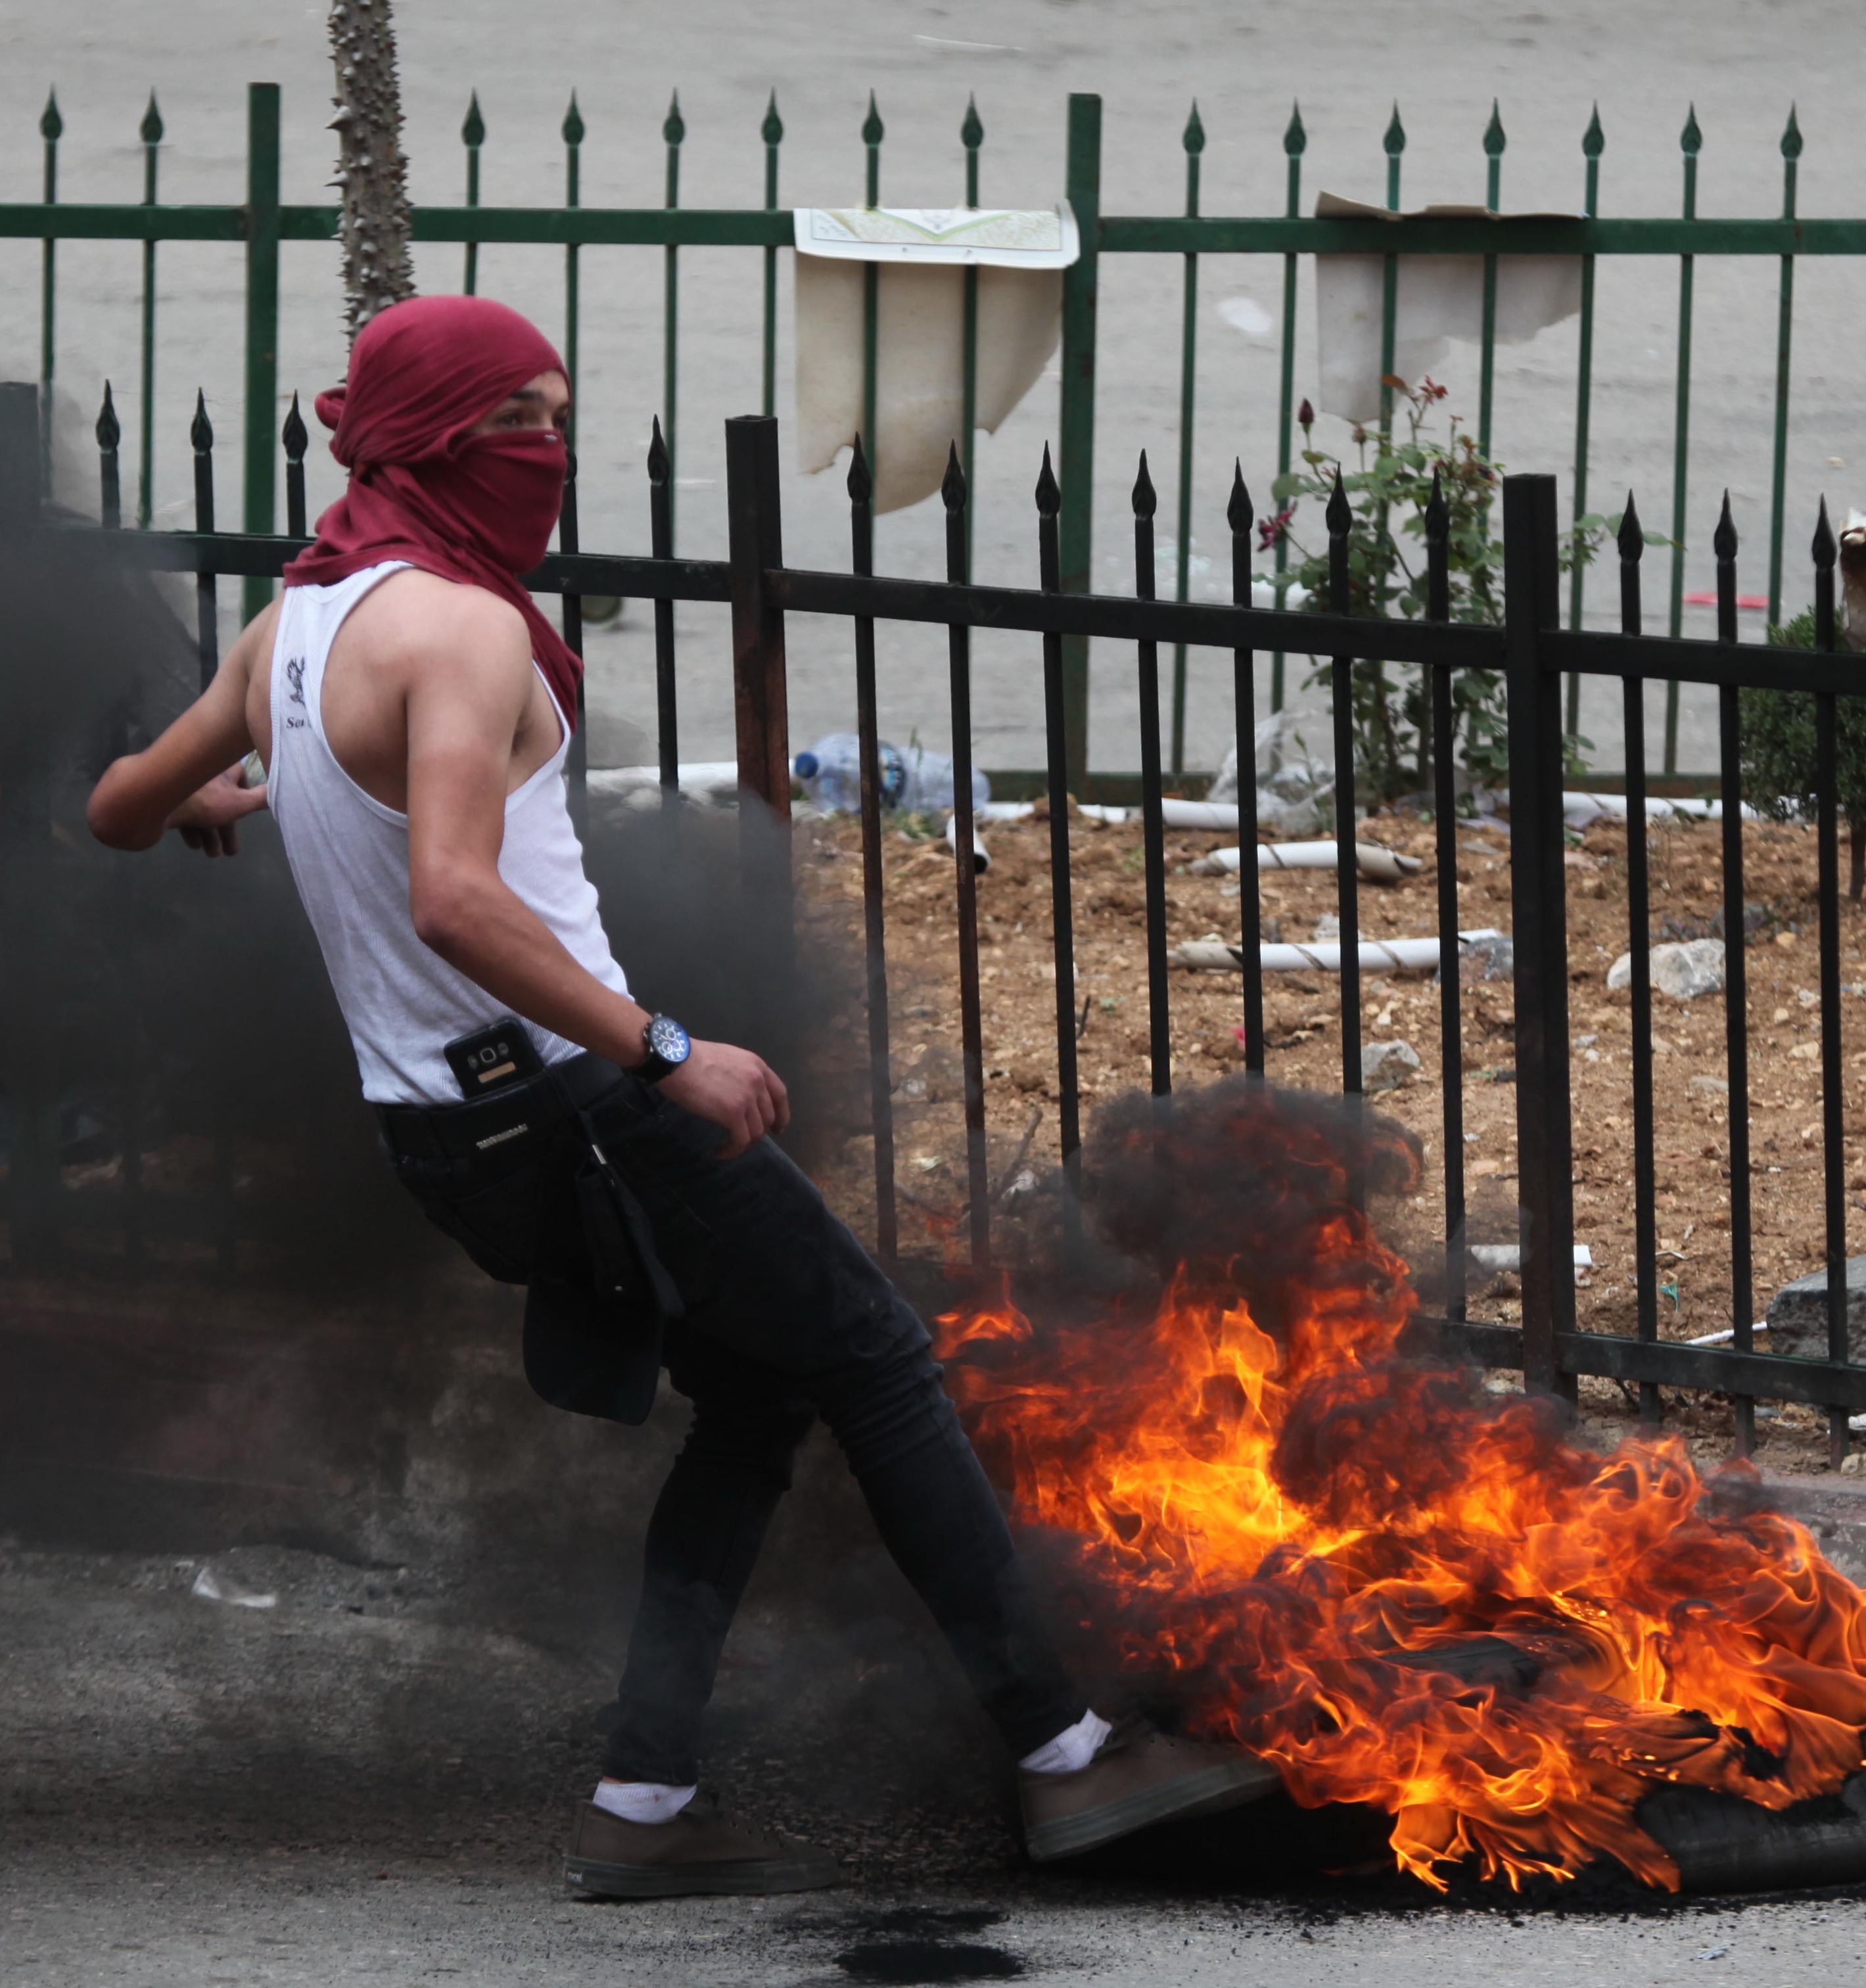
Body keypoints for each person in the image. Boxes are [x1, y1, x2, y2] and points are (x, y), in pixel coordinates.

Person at [87, 294, 1280, 1893]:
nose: (552, 452)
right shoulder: (457, 627)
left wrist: (232, 791)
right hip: (583, 1105)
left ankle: (643, 1804)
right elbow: (450, 895)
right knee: (876, 1359)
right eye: (519, 420)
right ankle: (1068, 1755)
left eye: (564, 417)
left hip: (448, 1138)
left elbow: (112, 807)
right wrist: (664, 1046)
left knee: (762, 1387)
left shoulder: (291, 627)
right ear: (434, 435)